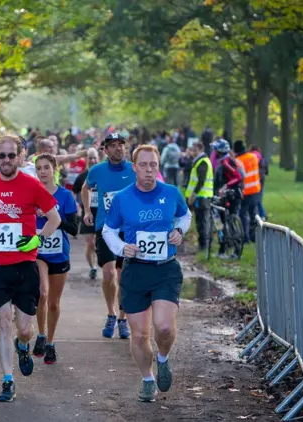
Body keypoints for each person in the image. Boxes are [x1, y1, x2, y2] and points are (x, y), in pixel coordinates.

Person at [0, 135, 61, 402]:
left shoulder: (32, 185)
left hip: (24, 266)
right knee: (2, 321)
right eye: (2, 156)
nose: (7, 160)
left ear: (21, 157)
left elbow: (54, 218)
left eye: (12, 155)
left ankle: (23, 346)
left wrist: (36, 238)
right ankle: (7, 381)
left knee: (24, 328)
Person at [102, 144, 192, 403]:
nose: (149, 170)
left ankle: (162, 358)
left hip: (165, 268)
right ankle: (147, 379)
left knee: (163, 327)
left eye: (153, 165)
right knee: (140, 334)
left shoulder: (171, 192)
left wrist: (179, 231)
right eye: (144, 165)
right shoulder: (122, 198)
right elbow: (108, 230)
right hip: (135, 271)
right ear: (134, 168)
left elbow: (185, 216)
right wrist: (122, 248)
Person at [81, 132, 134, 339]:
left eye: (121, 144)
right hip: (106, 228)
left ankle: (122, 319)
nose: (118, 148)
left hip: (129, 229)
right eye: (113, 145)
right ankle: (111, 313)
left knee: (124, 276)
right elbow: (86, 188)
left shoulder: (134, 169)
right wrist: (87, 210)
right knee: (109, 273)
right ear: (105, 150)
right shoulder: (97, 171)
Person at [31, 154, 79, 364]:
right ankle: (41, 335)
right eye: (39, 168)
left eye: (46, 168)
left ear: (54, 170)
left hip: (59, 253)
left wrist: (53, 218)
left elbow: (74, 229)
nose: (42, 172)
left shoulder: (65, 196)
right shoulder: (31, 195)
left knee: (53, 303)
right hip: (39, 252)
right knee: (42, 293)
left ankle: (50, 342)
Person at [72, 148, 101, 280]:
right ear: (86, 160)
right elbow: (74, 192)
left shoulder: (104, 175)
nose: (92, 160)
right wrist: (77, 205)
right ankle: (93, 267)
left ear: (98, 159)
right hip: (87, 213)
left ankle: (102, 261)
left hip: (102, 213)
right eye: (90, 158)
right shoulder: (82, 177)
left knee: (99, 242)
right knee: (90, 243)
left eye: (95, 158)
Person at [212, 139, 243, 257]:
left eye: (215, 150)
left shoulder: (226, 162)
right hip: (225, 196)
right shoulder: (222, 161)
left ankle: (235, 248)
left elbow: (238, 177)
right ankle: (222, 248)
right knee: (221, 221)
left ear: (219, 151)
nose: (214, 152)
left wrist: (226, 186)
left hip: (232, 196)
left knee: (229, 221)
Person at [184, 142, 213, 251]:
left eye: (194, 149)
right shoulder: (199, 161)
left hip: (202, 197)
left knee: (202, 223)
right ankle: (203, 245)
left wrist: (193, 195)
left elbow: (201, 180)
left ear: (200, 149)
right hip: (201, 196)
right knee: (200, 222)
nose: (192, 152)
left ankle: (204, 246)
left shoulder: (202, 162)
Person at [234, 140, 261, 243]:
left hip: (246, 191)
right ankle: (254, 236)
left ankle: (246, 237)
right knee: (253, 213)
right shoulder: (253, 157)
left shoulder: (238, 161)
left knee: (243, 213)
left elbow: (240, 176)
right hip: (256, 189)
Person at [249, 145, 268, 220]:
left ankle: (262, 214)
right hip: (262, 180)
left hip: (254, 180)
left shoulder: (251, 157)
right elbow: (266, 171)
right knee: (258, 198)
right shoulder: (262, 158)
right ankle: (261, 214)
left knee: (256, 200)